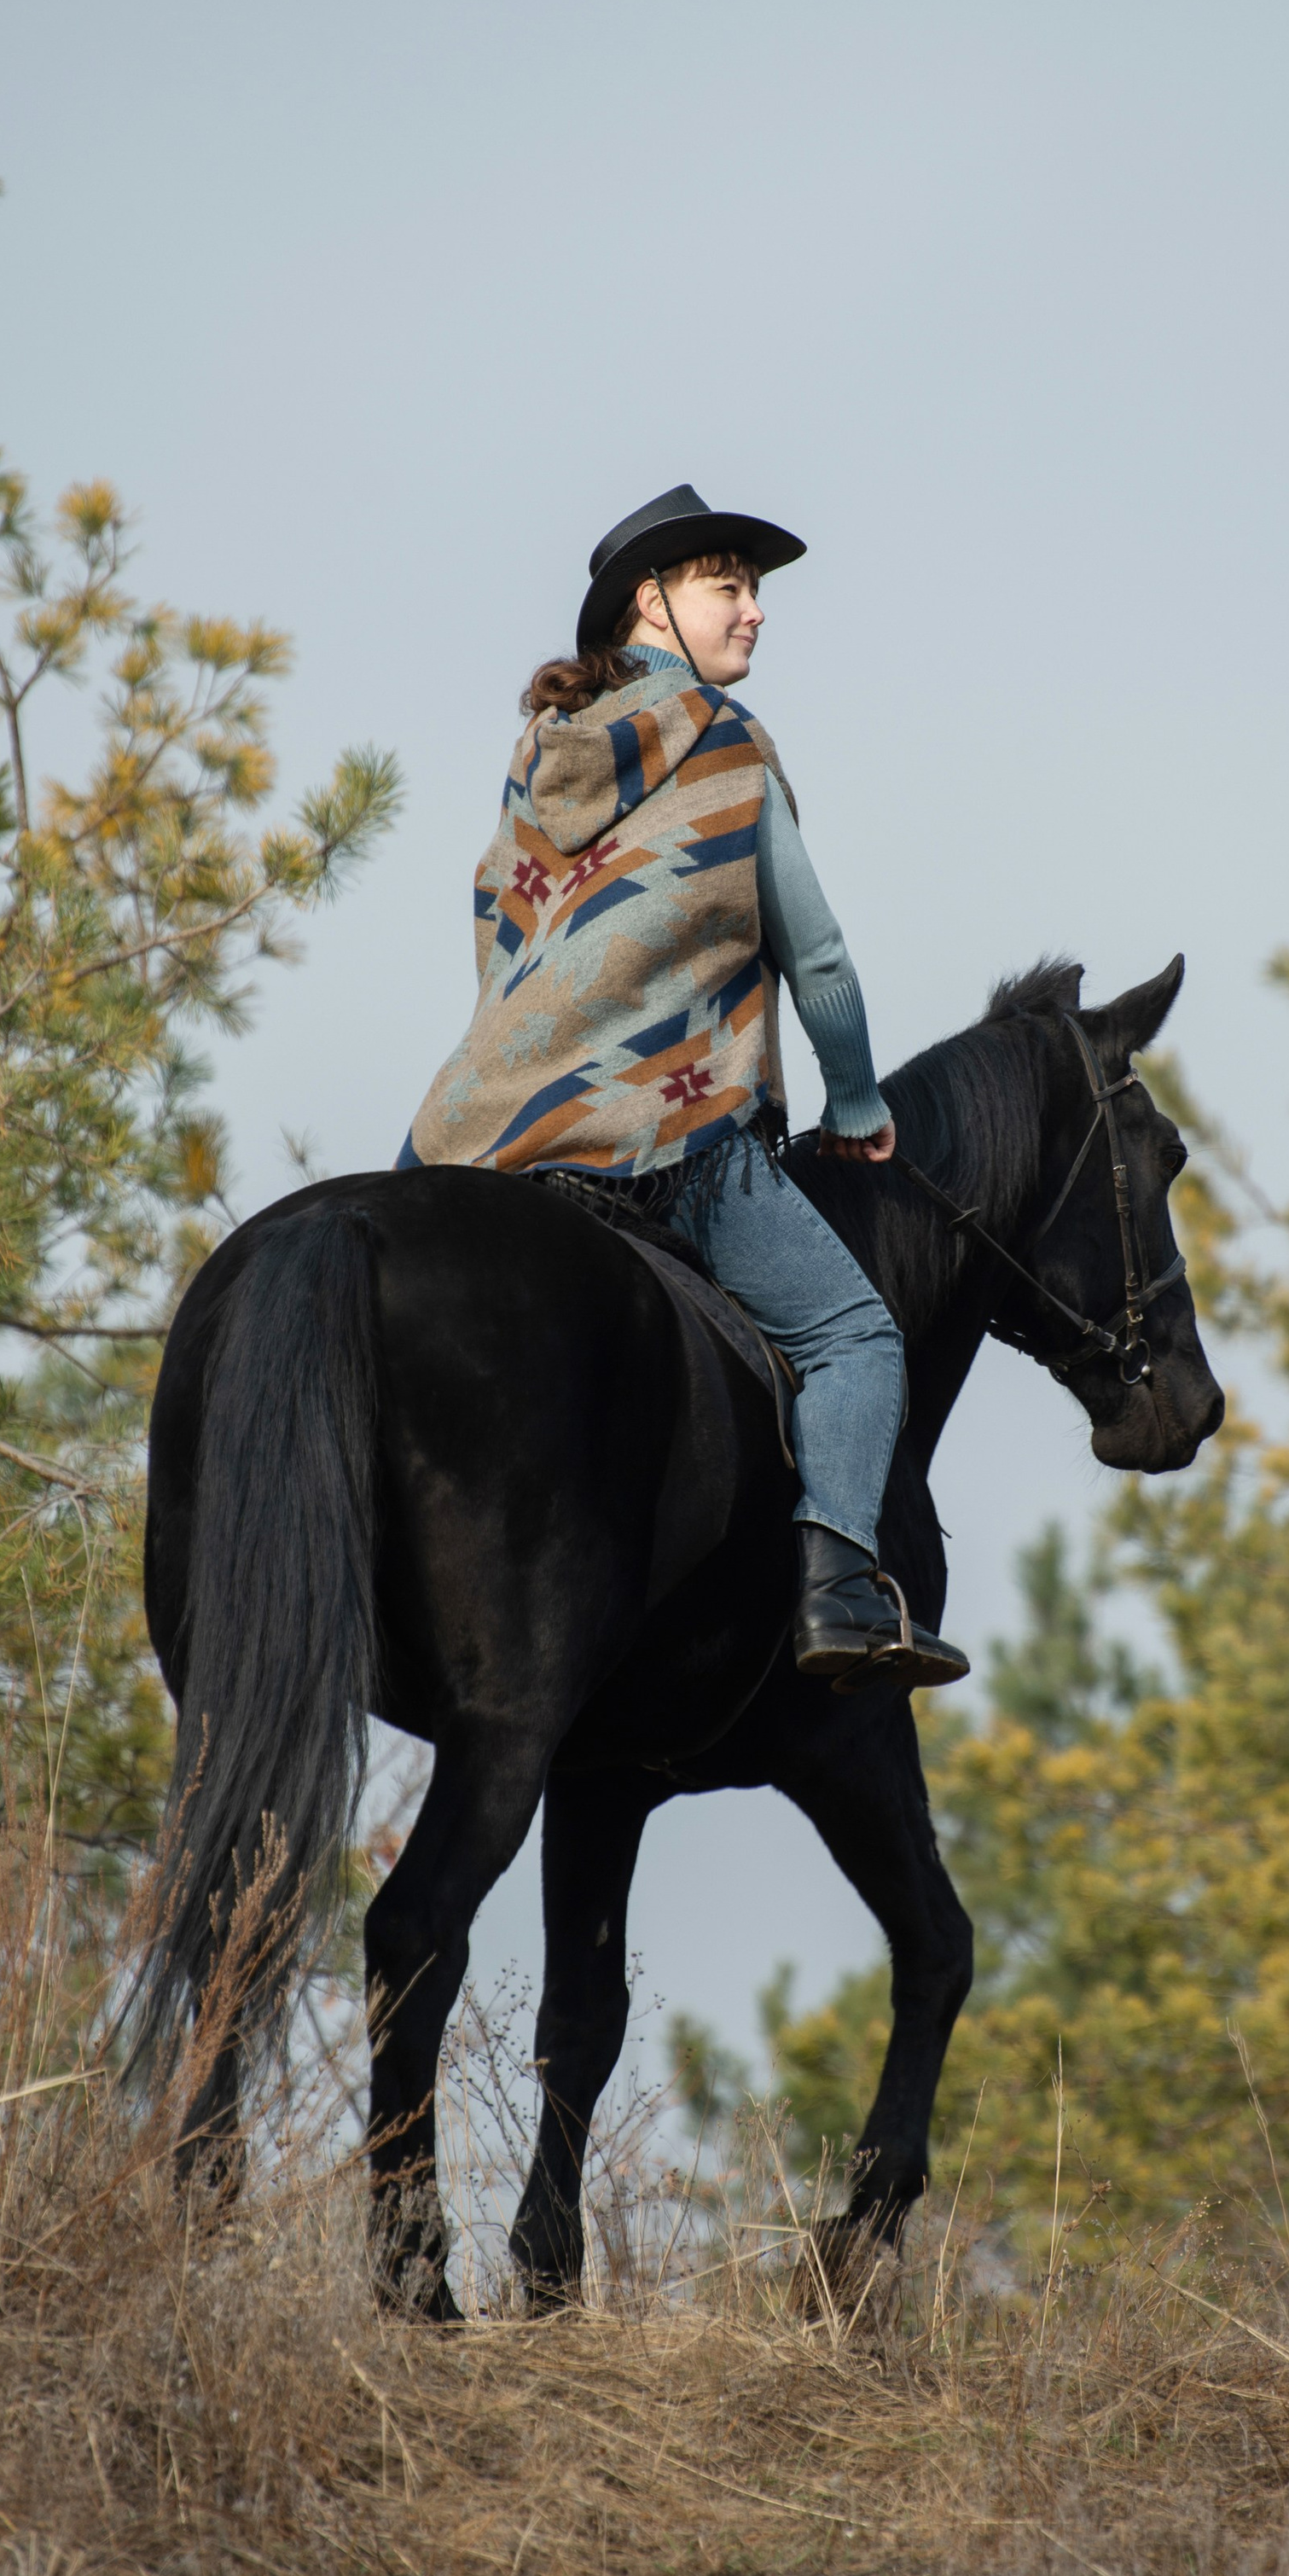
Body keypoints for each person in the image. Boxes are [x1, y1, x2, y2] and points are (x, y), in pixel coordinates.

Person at [401, 483, 967, 1691]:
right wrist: (857, 1103)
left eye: (754, 589)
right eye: (730, 586)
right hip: (670, 1135)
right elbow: (816, 957)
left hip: (482, 1138)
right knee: (857, 1336)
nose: (756, 612)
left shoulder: (533, 769)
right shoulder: (723, 743)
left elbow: (501, 946)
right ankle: (843, 1593)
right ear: (650, 607)